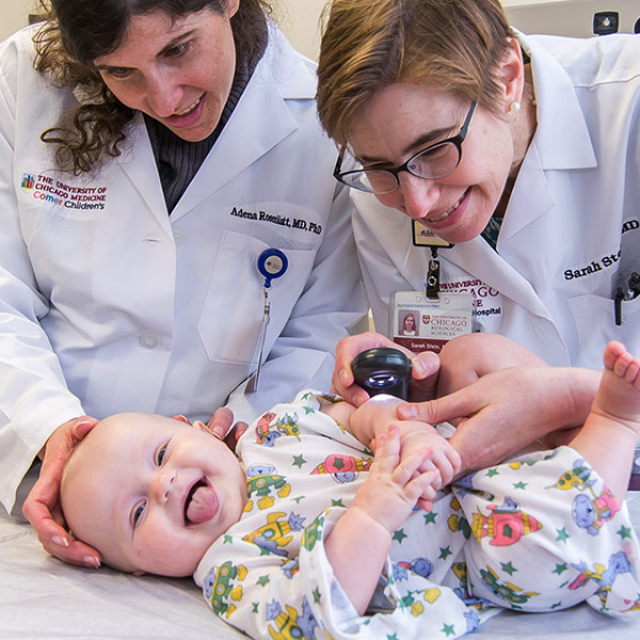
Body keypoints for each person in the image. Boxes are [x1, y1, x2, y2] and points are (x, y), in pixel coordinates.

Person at [0, 0, 367, 570]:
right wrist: (46, 426)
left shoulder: (324, 123)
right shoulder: (25, 78)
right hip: (39, 477)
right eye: (121, 72)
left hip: (229, 491)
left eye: (178, 49)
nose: (165, 97)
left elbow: (320, 328)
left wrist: (243, 434)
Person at [59, 335, 640, 640]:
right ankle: (614, 422)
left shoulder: (272, 428)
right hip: (477, 551)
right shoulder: (230, 567)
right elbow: (318, 614)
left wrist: (396, 431)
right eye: (136, 515)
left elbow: (353, 415)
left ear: (195, 427)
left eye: (162, 454)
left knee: (475, 356)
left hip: (460, 457)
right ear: (138, 571)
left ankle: (562, 407)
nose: (163, 485)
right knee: (541, 551)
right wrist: (371, 516)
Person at [315, 0, 640, 435]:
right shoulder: (382, 195)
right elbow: (444, 408)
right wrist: (411, 385)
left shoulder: (629, 107)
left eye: (434, 151)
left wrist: (576, 400)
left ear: (507, 79)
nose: (416, 204)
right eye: (377, 166)